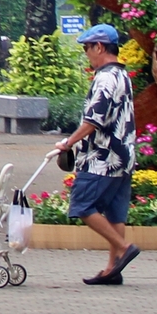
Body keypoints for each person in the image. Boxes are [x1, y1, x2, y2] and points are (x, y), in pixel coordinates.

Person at [56, 24, 141, 286]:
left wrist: (68, 143)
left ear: (100, 47)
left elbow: (93, 120)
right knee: (116, 213)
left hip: (102, 158)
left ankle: (123, 248)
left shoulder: (105, 79)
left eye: (87, 48)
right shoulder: (122, 75)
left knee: (82, 205)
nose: (86, 54)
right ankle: (112, 269)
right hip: (124, 155)